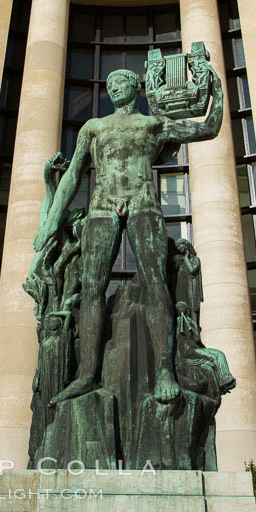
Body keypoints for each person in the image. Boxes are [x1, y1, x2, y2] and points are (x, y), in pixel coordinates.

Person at [33, 65, 223, 404]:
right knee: (91, 287)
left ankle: (165, 370)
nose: (114, 87)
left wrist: (216, 91)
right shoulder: (94, 127)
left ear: (135, 88)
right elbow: (74, 175)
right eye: (109, 84)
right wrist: (50, 223)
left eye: (120, 82)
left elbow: (208, 128)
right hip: (103, 205)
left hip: (142, 203)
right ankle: (87, 375)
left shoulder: (152, 124)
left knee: (155, 283)